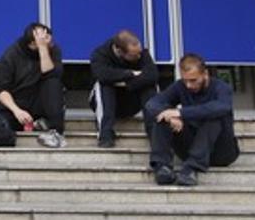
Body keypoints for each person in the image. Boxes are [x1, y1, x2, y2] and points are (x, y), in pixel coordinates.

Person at [145, 52, 240, 187]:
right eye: (185, 80)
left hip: (220, 151)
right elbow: (152, 103)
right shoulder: (180, 86)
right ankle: (162, 167)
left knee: (215, 116)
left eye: (193, 80)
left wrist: (179, 112)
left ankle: (191, 169)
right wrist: (169, 116)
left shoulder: (221, 88)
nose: (189, 85)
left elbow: (222, 107)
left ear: (205, 74)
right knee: (162, 117)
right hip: (191, 146)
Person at [0, 22, 66, 148]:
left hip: (39, 100)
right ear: (32, 43)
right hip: (17, 103)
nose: (48, 40)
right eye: (42, 38)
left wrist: (43, 49)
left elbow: (51, 74)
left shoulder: (52, 49)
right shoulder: (12, 54)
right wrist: (17, 111)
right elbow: (1, 90)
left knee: (53, 82)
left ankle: (55, 132)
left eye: (48, 37)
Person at [88, 29, 159, 148]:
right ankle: (105, 134)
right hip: (106, 103)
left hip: (131, 101)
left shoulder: (142, 54)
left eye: (139, 53)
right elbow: (101, 75)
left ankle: (155, 133)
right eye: (134, 55)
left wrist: (127, 84)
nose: (139, 56)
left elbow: (153, 75)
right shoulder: (100, 54)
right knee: (103, 85)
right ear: (119, 51)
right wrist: (129, 74)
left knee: (150, 86)